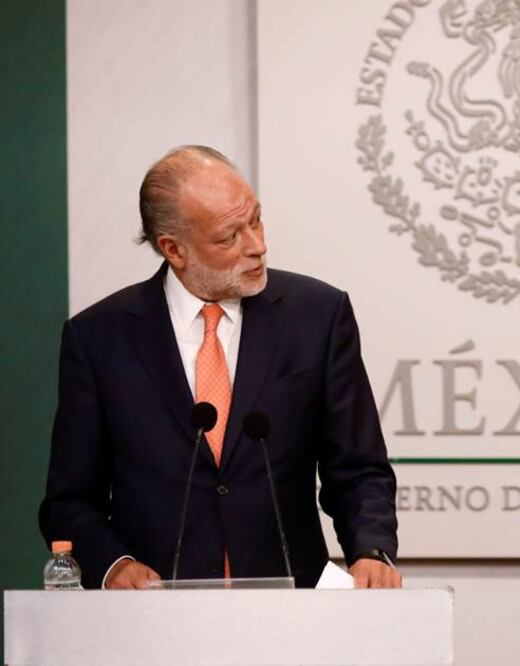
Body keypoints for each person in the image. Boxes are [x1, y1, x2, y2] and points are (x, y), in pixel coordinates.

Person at [40, 145, 400, 589]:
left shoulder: (318, 317)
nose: (258, 246)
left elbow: (359, 469)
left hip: (290, 610)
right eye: (230, 236)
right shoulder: (99, 337)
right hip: (155, 614)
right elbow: (69, 501)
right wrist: (115, 564)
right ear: (174, 249)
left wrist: (371, 549)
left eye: (256, 220)